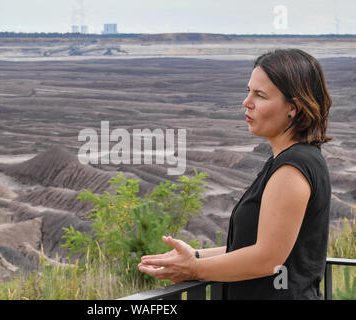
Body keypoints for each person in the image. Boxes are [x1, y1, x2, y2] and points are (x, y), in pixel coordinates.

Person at [138, 48, 332, 300]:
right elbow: (252, 246)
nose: (246, 102)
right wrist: (194, 255)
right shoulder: (291, 159)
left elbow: (267, 259)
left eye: (260, 95)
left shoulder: (292, 168)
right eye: (248, 91)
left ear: (293, 108)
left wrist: (194, 268)